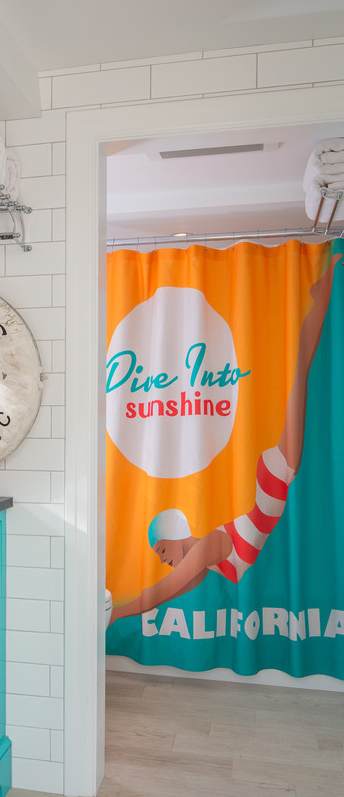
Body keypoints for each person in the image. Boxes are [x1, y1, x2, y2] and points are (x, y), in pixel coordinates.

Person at [110, 248, 342, 623]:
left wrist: (110, 614)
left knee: (298, 367)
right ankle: (319, 296)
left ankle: (319, 294)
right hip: (274, 481)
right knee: (298, 369)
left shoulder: (209, 546)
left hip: (274, 480)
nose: (160, 556)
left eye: (160, 548)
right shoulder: (203, 560)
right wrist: (117, 613)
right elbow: (160, 597)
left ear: (177, 534)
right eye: (159, 552)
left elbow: (159, 591)